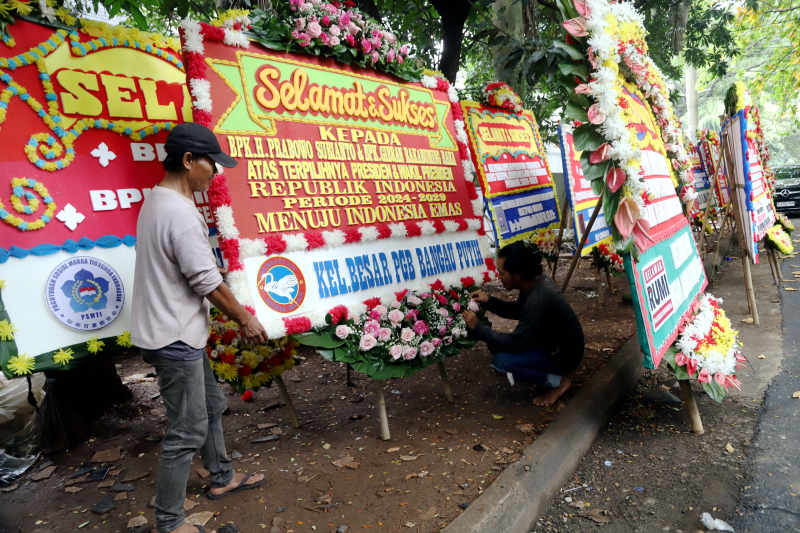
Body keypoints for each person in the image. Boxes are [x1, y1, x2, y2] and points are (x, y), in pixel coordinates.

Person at [131, 122, 269, 533]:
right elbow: (205, 282)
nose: (215, 171)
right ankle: (169, 523)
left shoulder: (157, 201)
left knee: (210, 406)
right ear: (189, 160)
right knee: (185, 430)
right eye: (212, 163)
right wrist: (245, 317)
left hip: (174, 330)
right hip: (173, 337)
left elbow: (188, 268)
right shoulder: (179, 212)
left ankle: (222, 478)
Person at [460, 241, 584, 407]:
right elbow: (518, 310)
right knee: (495, 345)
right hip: (548, 343)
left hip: (564, 356)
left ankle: (559, 382)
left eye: (501, 273)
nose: (499, 277)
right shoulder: (536, 282)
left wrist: (478, 327)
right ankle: (544, 373)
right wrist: (489, 301)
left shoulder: (538, 299)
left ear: (517, 276)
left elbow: (516, 343)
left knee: (501, 363)